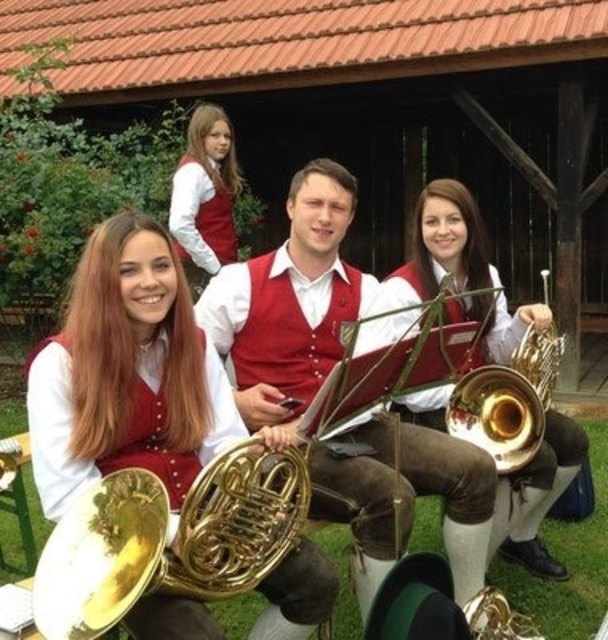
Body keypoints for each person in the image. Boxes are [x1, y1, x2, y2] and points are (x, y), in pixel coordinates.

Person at [194, 158, 499, 620]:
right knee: (390, 496)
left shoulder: (369, 289)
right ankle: (383, 622)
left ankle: (469, 607)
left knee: (476, 467)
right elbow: (186, 366)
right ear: (291, 207)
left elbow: (373, 381)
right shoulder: (237, 283)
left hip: (355, 426)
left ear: (350, 217)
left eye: (338, 207)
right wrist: (235, 403)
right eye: (314, 203)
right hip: (274, 447)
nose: (325, 216)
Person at [27, 211, 339, 640]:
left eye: (161, 266)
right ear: (102, 281)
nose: (151, 282)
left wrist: (246, 501)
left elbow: (223, 441)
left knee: (318, 583)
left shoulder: (193, 342)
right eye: (128, 271)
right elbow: (66, 495)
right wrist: (173, 531)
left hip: (205, 514)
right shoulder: (58, 364)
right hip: (123, 543)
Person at [367, 177, 589, 581]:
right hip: (426, 410)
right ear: (419, 230)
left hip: (480, 399)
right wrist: (467, 394)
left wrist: (522, 323)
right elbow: (395, 381)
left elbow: (498, 349)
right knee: (538, 460)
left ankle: (520, 536)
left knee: (573, 441)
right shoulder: (400, 290)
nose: (443, 230)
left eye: (453, 219)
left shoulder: (485, 273)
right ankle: (471, 575)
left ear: (469, 224)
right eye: (431, 222)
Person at [169, 102, 245, 289]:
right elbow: (180, 225)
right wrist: (213, 266)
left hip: (214, 270)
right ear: (200, 136)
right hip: (197, 272)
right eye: (215, 135)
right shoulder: (193, 172)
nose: (223, 142)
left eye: (227, 136)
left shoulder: (213, 170)